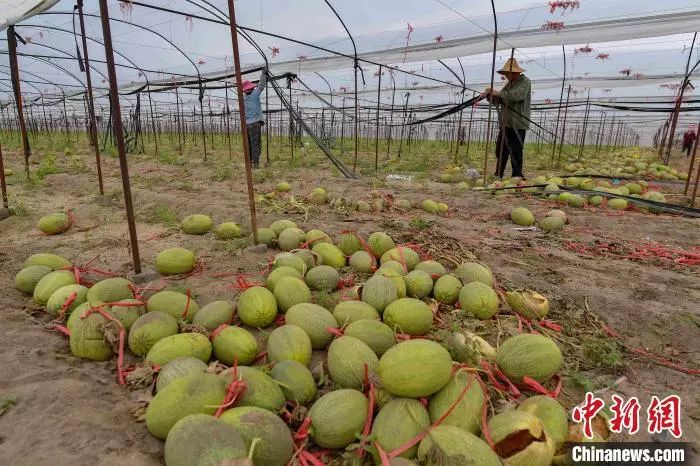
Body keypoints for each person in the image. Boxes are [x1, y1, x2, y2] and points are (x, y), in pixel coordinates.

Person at [482, 58, 531, 179]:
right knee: (501, 150)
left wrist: (498, 93)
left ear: (515, 73)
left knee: (516, 151)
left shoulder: (525, 82)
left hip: (518, 123)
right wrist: (490, 96)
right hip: (506, 123)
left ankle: (517, 175)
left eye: (507, 74)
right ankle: (498, 174)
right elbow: (500, 100)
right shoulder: (509, 84)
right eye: (505, 74)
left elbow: (517, 96)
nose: (506, 76)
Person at [241, 69, 268, 168]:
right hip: (255, 123)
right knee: (256, 144)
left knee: (248, 144)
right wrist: (263, 74)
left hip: (246, 125)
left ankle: (249, 162)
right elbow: (261, 85)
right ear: (251, 88)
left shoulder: (242, 99)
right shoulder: (255, 94)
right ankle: (255, 164)